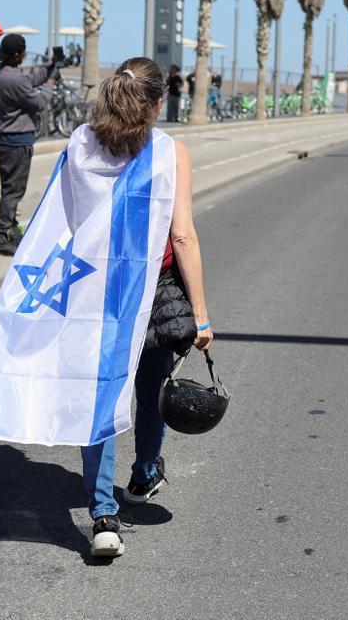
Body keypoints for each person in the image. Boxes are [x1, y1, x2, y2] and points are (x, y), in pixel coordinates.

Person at [78, 57, 213, 558]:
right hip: (153, 290)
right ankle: (142, 476)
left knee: (105, 394)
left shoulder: (81, 144)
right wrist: (200, 315)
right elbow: (182, 235)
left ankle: (102, 515)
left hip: (98, 287)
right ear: (159, 104)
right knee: (152, 385)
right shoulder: (170, 151)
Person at [0, 33, 56, 254]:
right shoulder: (13, 78)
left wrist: (48, 68)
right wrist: (50, 82)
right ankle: (4, 233)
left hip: (6, 138)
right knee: (13, 189)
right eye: (23, 53)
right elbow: (38, 102)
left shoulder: (0, 72)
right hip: (16, 140)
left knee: (11, 187)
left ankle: (9, 229)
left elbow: (27, 81)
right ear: (17, 55)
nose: (25, 56)